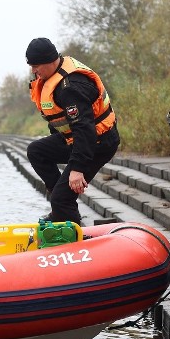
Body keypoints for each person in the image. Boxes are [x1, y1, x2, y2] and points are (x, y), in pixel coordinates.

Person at [25, 38, 119, 224]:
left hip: (99, 142)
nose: (33, 71)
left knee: (61, 198)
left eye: (36, 66)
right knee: (36, 151)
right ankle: (61, 209)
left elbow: (84, 130)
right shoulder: (51, 76)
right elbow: (58, 120)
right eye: (31, 66)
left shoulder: (71, 87)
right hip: (76, 138)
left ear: (51, 60)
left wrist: (77, 169)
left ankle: (75, 231)